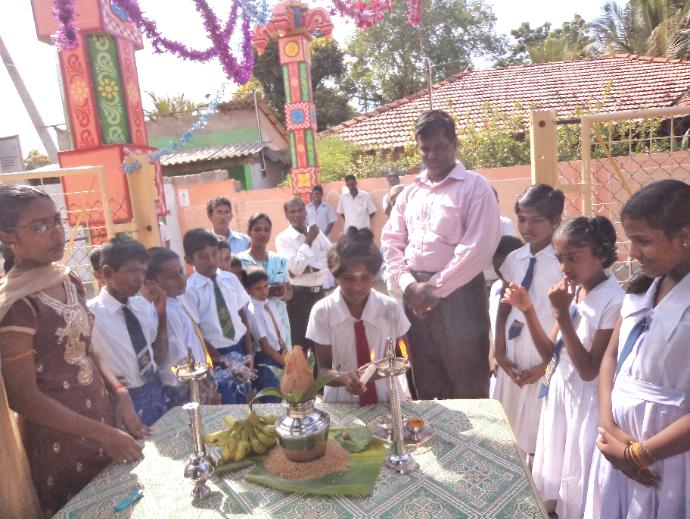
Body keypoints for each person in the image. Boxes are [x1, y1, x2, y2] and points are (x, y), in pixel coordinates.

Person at [0, 185, 145, 516]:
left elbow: (87, 344)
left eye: (57, 220)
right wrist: (102, 434)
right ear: (8, 238)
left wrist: (119, 391)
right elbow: (23, 398)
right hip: (59, 441)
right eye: (40, 226)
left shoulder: (69, 279)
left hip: (103, 420)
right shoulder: (16, 305)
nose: (56, 233)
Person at [503, 216, 624, 518]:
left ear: (601, 255)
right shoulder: (572, 292)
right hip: (560, 391)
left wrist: (561, 315)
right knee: (559, 466)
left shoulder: (614, 301)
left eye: (573, 258)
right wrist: (529, 310)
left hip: (588, 401)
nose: (564, 268)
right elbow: (550, 353)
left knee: (579, 474)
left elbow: (589, 369)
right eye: (560, 259)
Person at [585, 179, 690, 519]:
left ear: (684, 237)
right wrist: (608, 427)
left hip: (670, 460)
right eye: (630, 240)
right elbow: (611, 356)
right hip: (619, 447)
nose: (631, 253)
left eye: (642, 240)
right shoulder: (641, 291)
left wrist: (640, 455)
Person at [381, 109, 501, 400]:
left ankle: (474, 433)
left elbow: (478, 246)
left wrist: (435, 289)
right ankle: (434, 429)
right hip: (414, 295)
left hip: (459, 295)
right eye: (425, 149)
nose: (432, 155)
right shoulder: (410, 193)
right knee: (426, 380)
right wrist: (409, 285)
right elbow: (391, 241)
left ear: (454, 143)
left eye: (440, 147)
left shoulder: (475, 188)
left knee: (468, 382)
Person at [493, 184, 564, 459]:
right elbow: (504, 306)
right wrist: (499, 352)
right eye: (522, 219)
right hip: (513, 351)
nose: (527, 227)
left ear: (556, 220)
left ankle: (536, 478)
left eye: (536, 220)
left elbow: (567, 317)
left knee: (537, 423)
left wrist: (548, 364)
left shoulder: (563, 263)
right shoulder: (515, 259)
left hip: (545, 352)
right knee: (508, 422)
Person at [307, 228, 410, 403]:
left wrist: (382, 371)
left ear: (374, 275)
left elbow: (405, 358)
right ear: (336, 276)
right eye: (348, 279)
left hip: (387, 399)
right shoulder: (323, 312)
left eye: (365, 277)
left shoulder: (390, 309)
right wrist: (343, 377)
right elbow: (322, 371)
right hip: (342, 403)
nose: (357, 287)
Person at [89, 237, 169, 426]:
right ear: (107, 272)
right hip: (124, 399)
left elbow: (158, 356)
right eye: (132, 270)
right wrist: (104, 381)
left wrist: (161, 313)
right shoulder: (90, 314)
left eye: (142, 271)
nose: (139, 278)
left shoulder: (143, 306)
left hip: (154, 390)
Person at [183, 228, 254, 404]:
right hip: (215, 355)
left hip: (240, 347)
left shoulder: (230, 279)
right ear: (189, 260)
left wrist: (250, 352)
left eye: (214, 254)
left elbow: (241, 316)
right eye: (203, 257)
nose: (211, 261)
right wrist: (224, 360)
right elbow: (197, 332)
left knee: (244, 401)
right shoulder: (190, 290)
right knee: (227, 405)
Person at [145, 247, 209, 407]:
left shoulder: (175, 303)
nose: (182, 279)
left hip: (193, 380)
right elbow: (178, 356)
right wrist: (199, 387)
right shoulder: (168, 312)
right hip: (185, 387)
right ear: (151, 284)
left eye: (181, 272)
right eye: (173, 277)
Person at [275, 197, 331, 351]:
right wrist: (308, 241)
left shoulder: (317, 233)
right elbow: (294, 269)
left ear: (305, 212)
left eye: (300, 210)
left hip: (319, 294)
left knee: (322, 343)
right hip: (299, 297)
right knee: (301, 347)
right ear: (286, 215)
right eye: (292, 212)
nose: (297, 215)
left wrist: (310, 267)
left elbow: (332, 257)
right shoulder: (283, 239)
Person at [236, 213, 292, 351]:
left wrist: (283, 293)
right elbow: (236, 294)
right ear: (249, 232)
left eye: (267, 230)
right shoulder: (239, 261)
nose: (262, 233)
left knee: (286, 361)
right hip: (254, 322)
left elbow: (289, 290)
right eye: (257, 229)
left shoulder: (280, 260)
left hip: (280, 321)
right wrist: (266, 292)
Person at [242, 266, 287, 403]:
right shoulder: (253, 311)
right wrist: (285, 362)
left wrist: (286, 353)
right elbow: (265, 346)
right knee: (272, 398)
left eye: (265, 286)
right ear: (247, 290)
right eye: (258, 289)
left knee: (282, 393)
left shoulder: (269, 304)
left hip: (279, 353)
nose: (264, 292)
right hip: (266, 359)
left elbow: (279, 332)